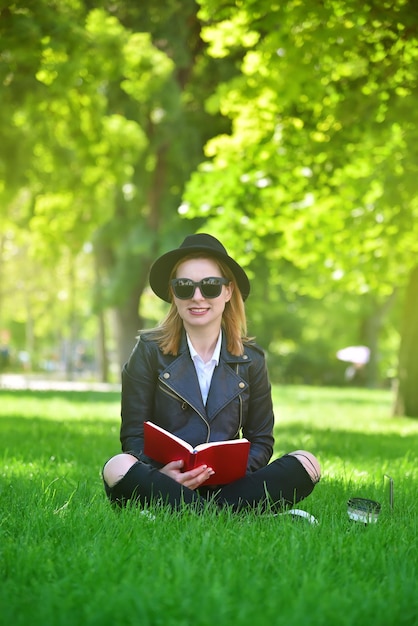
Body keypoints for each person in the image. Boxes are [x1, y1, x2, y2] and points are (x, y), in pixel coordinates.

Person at [103, 233, 320, 512]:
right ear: (173, 293)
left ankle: (188, 511)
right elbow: (133, 435)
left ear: (228, 291)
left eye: (210, 286)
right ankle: (225, 513)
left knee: (307, 462)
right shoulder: (148, 351)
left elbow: (261, 441)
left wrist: (231, 473)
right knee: (117, 466)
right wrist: (163, 474)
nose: (197, 297)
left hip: (231, 483)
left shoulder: (251, 360)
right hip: (166, 479)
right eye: (184, 287)